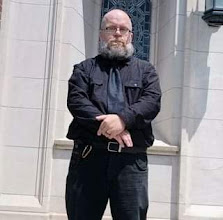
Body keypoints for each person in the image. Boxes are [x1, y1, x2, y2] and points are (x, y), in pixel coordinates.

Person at [65, 9, 161, 220]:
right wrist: (112, 128)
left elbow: (151, 102)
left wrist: (122, 120)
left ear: (130, 36)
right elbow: (77, 101)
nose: (117, 33)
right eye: (111, 28)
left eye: (123, 29)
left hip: (130, 162)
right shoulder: (84, 69)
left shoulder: (147, 71)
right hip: (89, 158)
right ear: (101, 34)